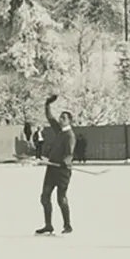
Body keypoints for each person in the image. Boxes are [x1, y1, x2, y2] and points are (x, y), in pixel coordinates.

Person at [36, 94, 75, 235]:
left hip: (63, 171)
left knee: (61, 198)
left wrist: (66, 162)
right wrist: (47, 104)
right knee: (44, 197)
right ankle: (48, 225)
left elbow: (69, 153)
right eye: (61, 117)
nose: (61, 119)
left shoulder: (70, 136)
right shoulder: (59, 131)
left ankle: (68, 225)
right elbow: (50, 118)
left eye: (64, 118)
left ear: (70, 121)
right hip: (52, 168)